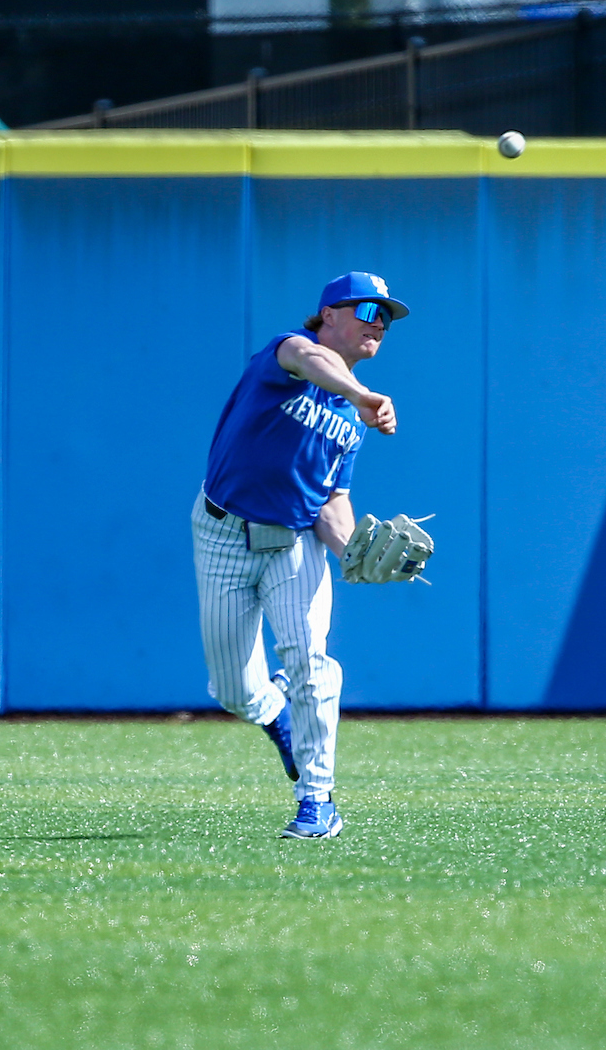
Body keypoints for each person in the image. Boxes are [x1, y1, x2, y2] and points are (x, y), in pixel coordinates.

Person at [191, 271, 409, 839]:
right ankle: (274, 714)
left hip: (293, 546)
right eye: (368, 311)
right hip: (222, 534)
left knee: (311, 664)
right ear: (329, 313)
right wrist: (361, 396)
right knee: (234, 690)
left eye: (386, 318)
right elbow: (314, 364)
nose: (378, 325)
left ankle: (318, 801)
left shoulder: (350, 428)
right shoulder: (289, 351)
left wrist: (359, 551)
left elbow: (331, 506)